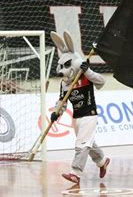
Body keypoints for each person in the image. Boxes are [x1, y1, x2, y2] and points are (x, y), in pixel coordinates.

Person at [50, 31, 110, 185]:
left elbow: (101, 82)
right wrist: (57, 113)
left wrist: (88, 70)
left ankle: (75, 173)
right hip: (76, 117)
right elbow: (62, 101)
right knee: (88, 144)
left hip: (90, 114)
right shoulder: (64, 83)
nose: (63, 70)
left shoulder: (85, 76)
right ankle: (102, 161)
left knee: (82, 145)